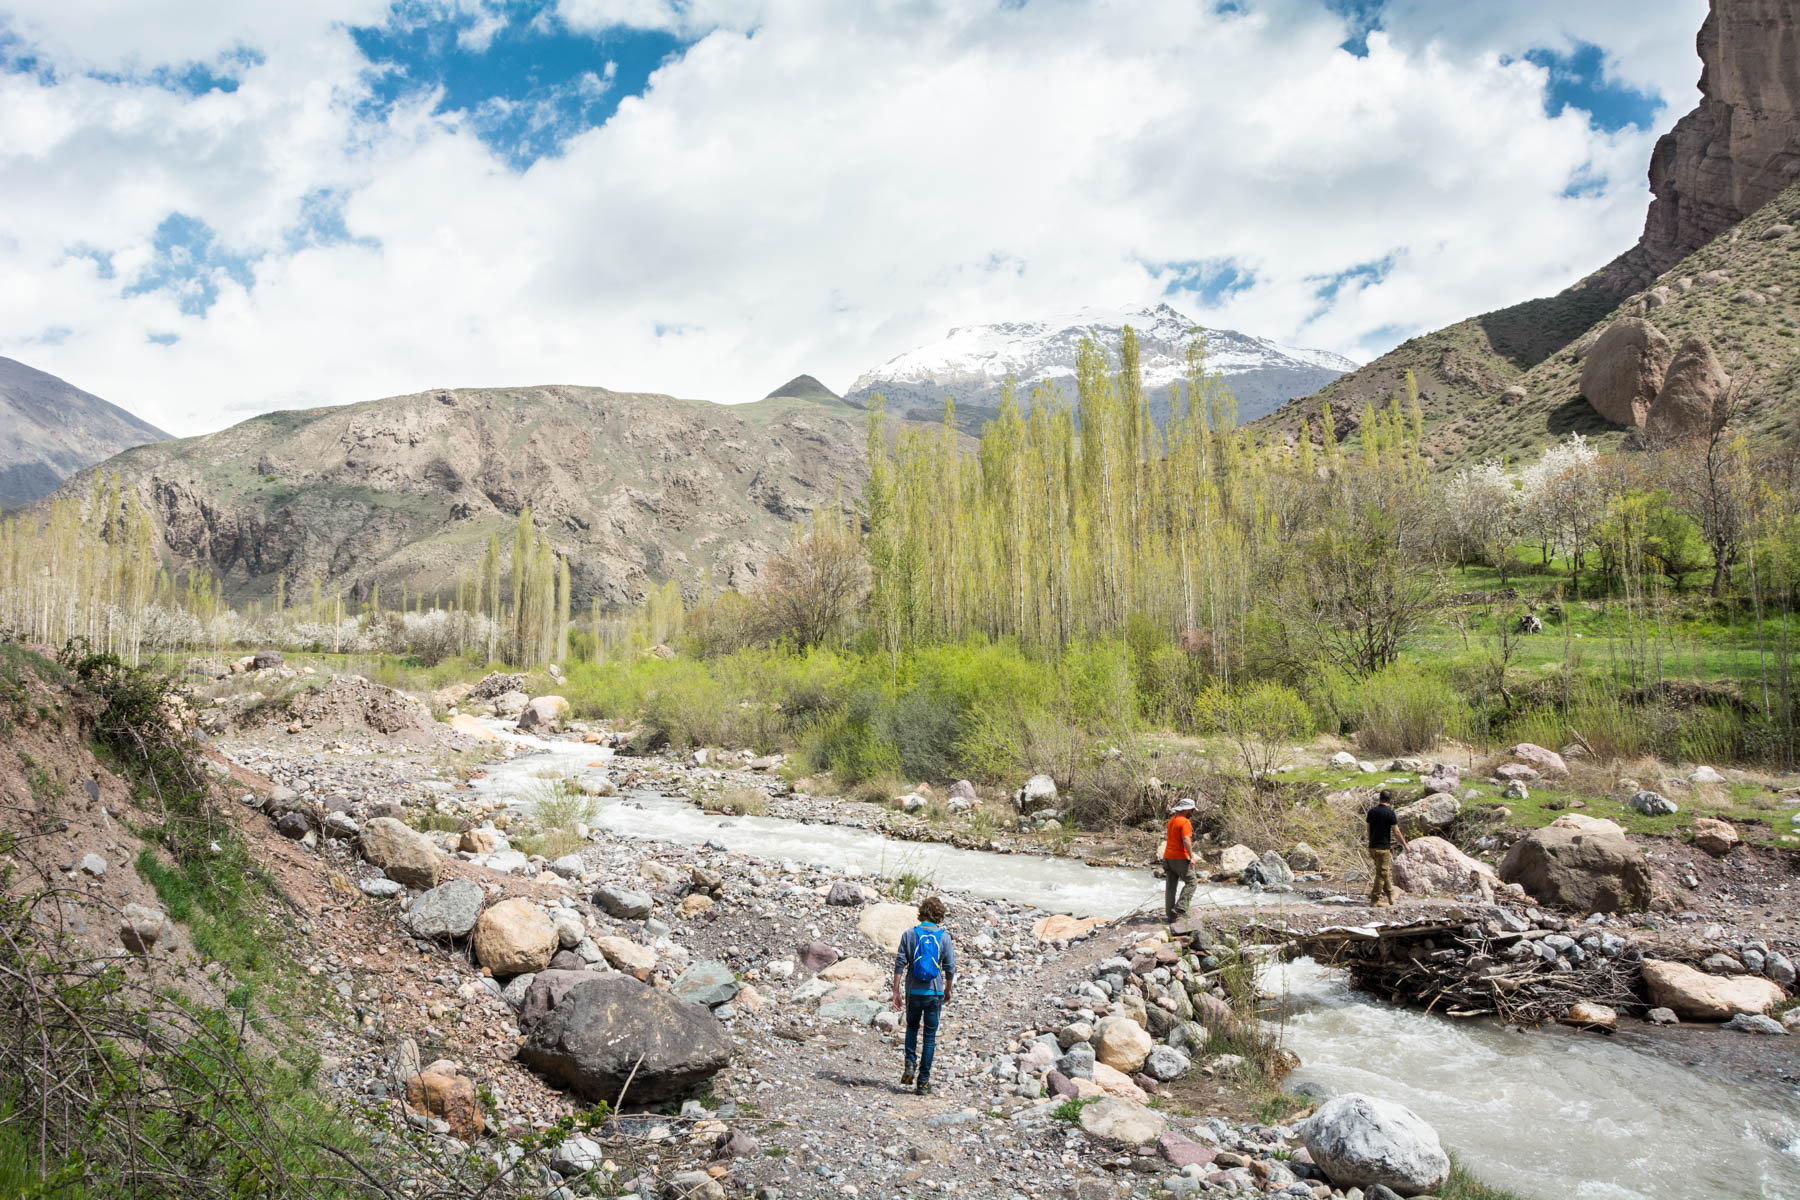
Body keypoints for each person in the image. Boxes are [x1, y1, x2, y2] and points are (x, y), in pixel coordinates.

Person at [892, 894, 955, 1095]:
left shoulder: (909, 934)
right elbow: (950, 967)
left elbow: (900, 963)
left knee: (911, 1028)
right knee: (929, 1037)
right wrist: (948, 989)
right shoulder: (944, 937)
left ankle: (910, 1064)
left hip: (913, 991)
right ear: (939, 915)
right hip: (934, 992)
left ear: (922, 912)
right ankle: (923, 1082)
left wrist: (896, 990)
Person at [1366, 789, 1408, 907]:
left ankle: (1391, 895)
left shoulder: (1371, 812)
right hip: (1383, 848)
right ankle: (1375, 900)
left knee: (1382, 872)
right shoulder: (1390, 813)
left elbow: (1368, 829)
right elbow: (1396, 832)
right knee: (1381, 874)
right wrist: (1405, 845)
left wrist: (1371, 841)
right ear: (1389, 800)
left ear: (1380, 798)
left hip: (1372, 847)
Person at [1162, 797, 1197, 922]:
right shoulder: (1185, 822)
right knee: (1192, 882)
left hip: (1167, 857)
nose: (1193, 812)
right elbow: (1186, 840)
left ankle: (1170, 914)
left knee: (1171, 886)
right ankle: (1180, 908)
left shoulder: (1172, 820)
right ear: (1187, 810)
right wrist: (1192, 857)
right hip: (1179, 858)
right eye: (1192, 810)